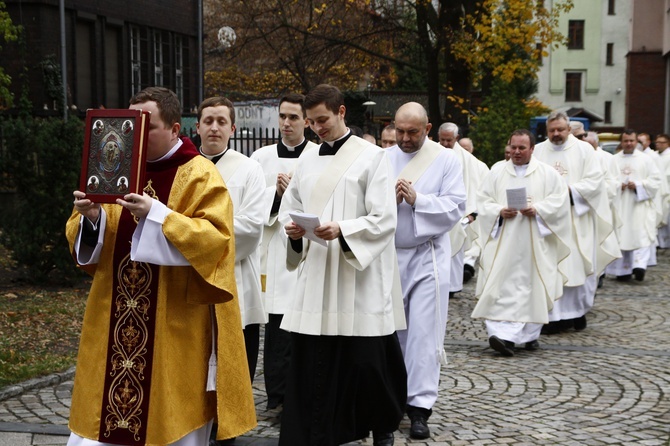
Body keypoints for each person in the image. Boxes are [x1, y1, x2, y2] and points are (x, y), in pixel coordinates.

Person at [65, 86, 256, 446]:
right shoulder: (114, 170)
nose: (134, 134)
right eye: (130, 124)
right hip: (113, 319)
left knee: (168, 424)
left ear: (173, 128)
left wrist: (157, 214)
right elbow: (91, 247)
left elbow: (216, 240)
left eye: (145, 125)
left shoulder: (199, 174)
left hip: (174, 323)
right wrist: (92, 218)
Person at [278, 84, 407, 446]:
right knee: (316, 357)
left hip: (356, 272)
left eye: (323, 120)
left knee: (366, 360)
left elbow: (385, 218)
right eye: (311, 122)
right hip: (319, 269)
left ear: (341, 113)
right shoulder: (306, 160)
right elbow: (293, 206)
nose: (317, 128)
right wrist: (295, 232)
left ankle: (381, 426)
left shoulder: (371, 157)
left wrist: (344, 229)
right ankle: (319, 429)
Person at [386, 103, 466, 439]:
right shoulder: (382, 158)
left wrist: (419, 200)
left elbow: (456, 206)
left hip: (426, 256)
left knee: (422, 333)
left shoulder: (446, 160)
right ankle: (388, 403)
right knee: (389, 334)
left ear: (428, 129)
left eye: (413, 132)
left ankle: (419, 406)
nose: (405, 138)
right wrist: (387, 201)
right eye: (400, 131)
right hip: (389, 257)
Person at [471, 129, 571, 356]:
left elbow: (560, 202)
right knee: (501, 287)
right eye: (513, 147)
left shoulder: (547, 174)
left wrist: (539, 210)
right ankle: (501, 335)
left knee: (531, 287)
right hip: (503, 243)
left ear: (532, 149)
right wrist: (498, 211)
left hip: (534, 243)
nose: (516, 152)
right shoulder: (497, 171)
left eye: (521, 148)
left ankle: (527, 335)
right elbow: (483, 200)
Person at [250, 93, 318, 411]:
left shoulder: (318, 156)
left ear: (306, 121)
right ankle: (276, 396)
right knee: (276, 330)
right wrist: (275, 196)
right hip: (273, 255)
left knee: (303, 329)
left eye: (293, 117)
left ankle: (301, 394)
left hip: (307, 252)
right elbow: (251, 205)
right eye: (282, 116)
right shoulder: (260, 158)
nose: (286, 123)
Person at [196, 96, 267, 383]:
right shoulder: (184, 168)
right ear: (198, 127)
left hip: (235, 276)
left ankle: (230, 424)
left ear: (233, 129)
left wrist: (194, 235)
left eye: (221, 121)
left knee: (233, 363)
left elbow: (251, 227)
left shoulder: (249, 169)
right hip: (191, 276)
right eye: (208, 121)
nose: (215, 127)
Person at [533, 111, 619, 334]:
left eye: (560, 129)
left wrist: (566, 192)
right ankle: (552, 316)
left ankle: (576, 312)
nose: (556, 134)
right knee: (551, 266)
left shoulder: (584, 150)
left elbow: (594, 183)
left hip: (576, 219)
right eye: (552, 130)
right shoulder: (539, 151)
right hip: (548, 222)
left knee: (576, 265)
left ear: (569, 129)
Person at [438, 122, 489, 292]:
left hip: (456, 212)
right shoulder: (432, 152)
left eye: (449, 140)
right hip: (436, 208)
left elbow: (476, 185)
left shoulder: (469, 161)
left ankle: (452, 286)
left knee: (455, 246)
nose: (445, 144)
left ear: (456, 138)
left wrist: (472, 213)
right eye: (442, 140)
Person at [605, 130, 662, 281]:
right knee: (621, 236)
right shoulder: (613, 160)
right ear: (621, 142)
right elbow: (607, 181)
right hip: (620, 205)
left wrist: (638, 185)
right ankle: (622, 271)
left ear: (636, 141)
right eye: (626, 141)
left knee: (640, 235)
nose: (629, 144)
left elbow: (656, 181)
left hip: (639, 206)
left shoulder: (646, 160)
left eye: (631, 140)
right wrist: (618, 186)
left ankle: (639, 266)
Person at [654, 133, 670, 248]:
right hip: (656, 189)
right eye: (657, 142)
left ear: (667, 143)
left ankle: (665, 243)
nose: (658, 145)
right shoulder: (655, 155)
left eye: (661, 142)